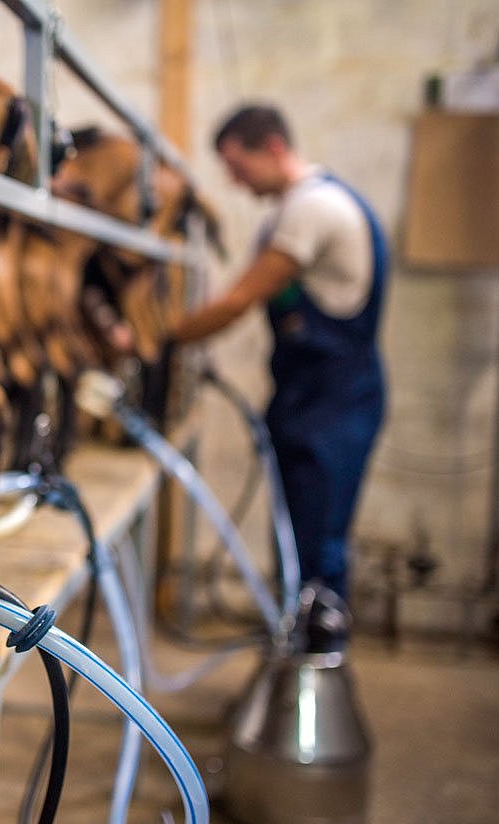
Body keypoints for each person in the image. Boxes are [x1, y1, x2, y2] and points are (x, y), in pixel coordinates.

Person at [169, 103, 388, 606]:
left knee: (316, 548)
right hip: (309, 400)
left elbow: (235, 301)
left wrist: (161, 338)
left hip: (333, 405)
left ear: (272, 147)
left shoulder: (312, 209)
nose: (237, 183)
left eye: (239, 168)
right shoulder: (297, 209)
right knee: (298, 546)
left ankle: (314, 659)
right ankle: (296, 657)